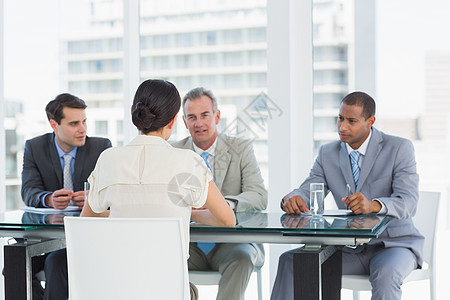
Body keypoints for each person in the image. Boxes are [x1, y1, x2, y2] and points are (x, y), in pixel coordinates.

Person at [80, 79, 236, 300]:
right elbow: (227, 219)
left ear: (133, 112)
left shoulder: (108, 159)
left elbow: (86, 221)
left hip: (118, 288)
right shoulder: (188, 162)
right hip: (169, 289)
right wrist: (184, 212)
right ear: (174, 120)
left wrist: (121, 212)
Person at [271, 91, 424, 300]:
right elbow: (309, 187)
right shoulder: (327, 153)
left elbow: (409, 202)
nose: (342, 127)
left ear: (370, 121)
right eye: (340, 119)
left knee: (385, 275)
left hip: (393, 245)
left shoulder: (399, 148)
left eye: (351, 121)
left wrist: (374, 205)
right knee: (292, 262)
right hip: (348, 248)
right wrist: (294, 197)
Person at [172, 87, 267, 300]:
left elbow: (259, 195)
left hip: (232, 244)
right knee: (162, 256)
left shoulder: (240, 148)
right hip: (189, 246)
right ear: (185, 123)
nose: (199, 123)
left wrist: (222, 205)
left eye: (205, 115)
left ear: (217, 116)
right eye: (191, 117)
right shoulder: (174, 152)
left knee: (243, 257)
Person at [20, 93, 112, 300]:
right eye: (74, 123)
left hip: (88, 239)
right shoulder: (35, 148)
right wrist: (48, 199)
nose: (83, 129)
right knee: (15, 264)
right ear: (54, 124)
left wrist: (93, 196)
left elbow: (113, 191)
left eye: (84, 121)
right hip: (48, 237)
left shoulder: (102, 147)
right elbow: (28, 191)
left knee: (56, 263)